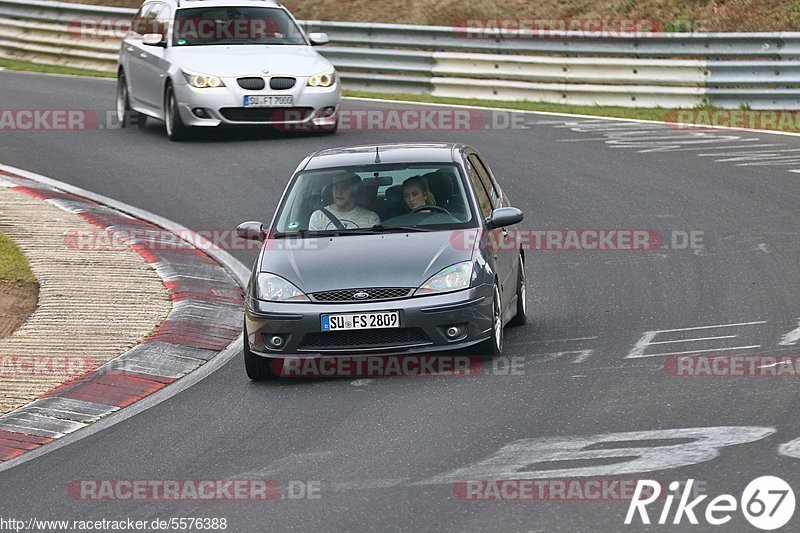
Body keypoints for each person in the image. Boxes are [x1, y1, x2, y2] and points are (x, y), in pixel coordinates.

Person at [308, 172, 380, 230]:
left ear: (354, 190)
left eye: (345, 187)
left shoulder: (370, 219)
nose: (339, 192)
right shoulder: (318, 217)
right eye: (336, 187)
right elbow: (317, 246)